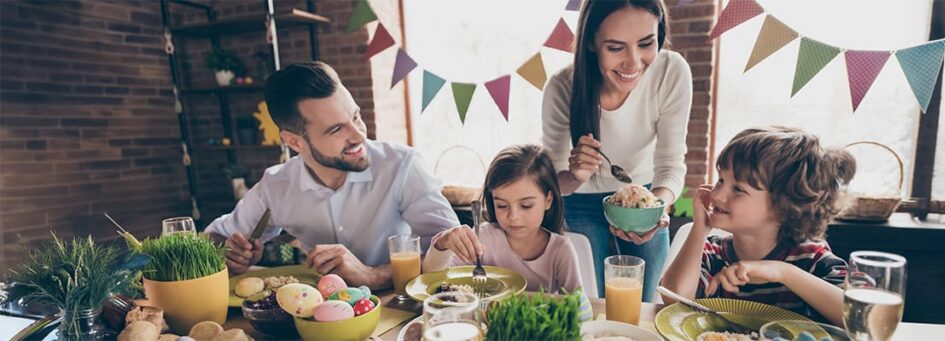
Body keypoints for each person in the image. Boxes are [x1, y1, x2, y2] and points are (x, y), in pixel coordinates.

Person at [205, 61, 459, 290]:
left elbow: (458, 255)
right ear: (294, 142)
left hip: (399, 310)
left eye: (356, 117)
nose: (359, 135)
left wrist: (372, 275)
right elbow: (213, 237)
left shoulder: (402, 166)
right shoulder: (276, 185)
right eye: (337, 129)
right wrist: (230, 255)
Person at [542, 0, 692, 301]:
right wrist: (574, 175)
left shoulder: (671, 71)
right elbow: (552, 185)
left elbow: (671, 163)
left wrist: (655, 210)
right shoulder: (562, 87)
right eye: (615, 48)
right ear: (591, 44)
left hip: (646, 198)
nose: (633, 62)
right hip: (580, 202)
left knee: (648, 303)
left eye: (646, 43)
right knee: (591, 302)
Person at [660, 127, 855, 324]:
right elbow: (673, 300)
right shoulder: (712, 253)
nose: (717, 195)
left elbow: (858, 318)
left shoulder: (812, 259)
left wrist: (783, 273)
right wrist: (700, 228)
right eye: (721, 180)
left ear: (783, 206)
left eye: (738, 189)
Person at [423, 145, 583, 294]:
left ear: (548, 200)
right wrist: (442, 244)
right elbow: (434, 280)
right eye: (502, 205)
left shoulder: (561, 251)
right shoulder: (483, 238)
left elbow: (579, 309)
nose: (513, 216)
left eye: (526, 206)